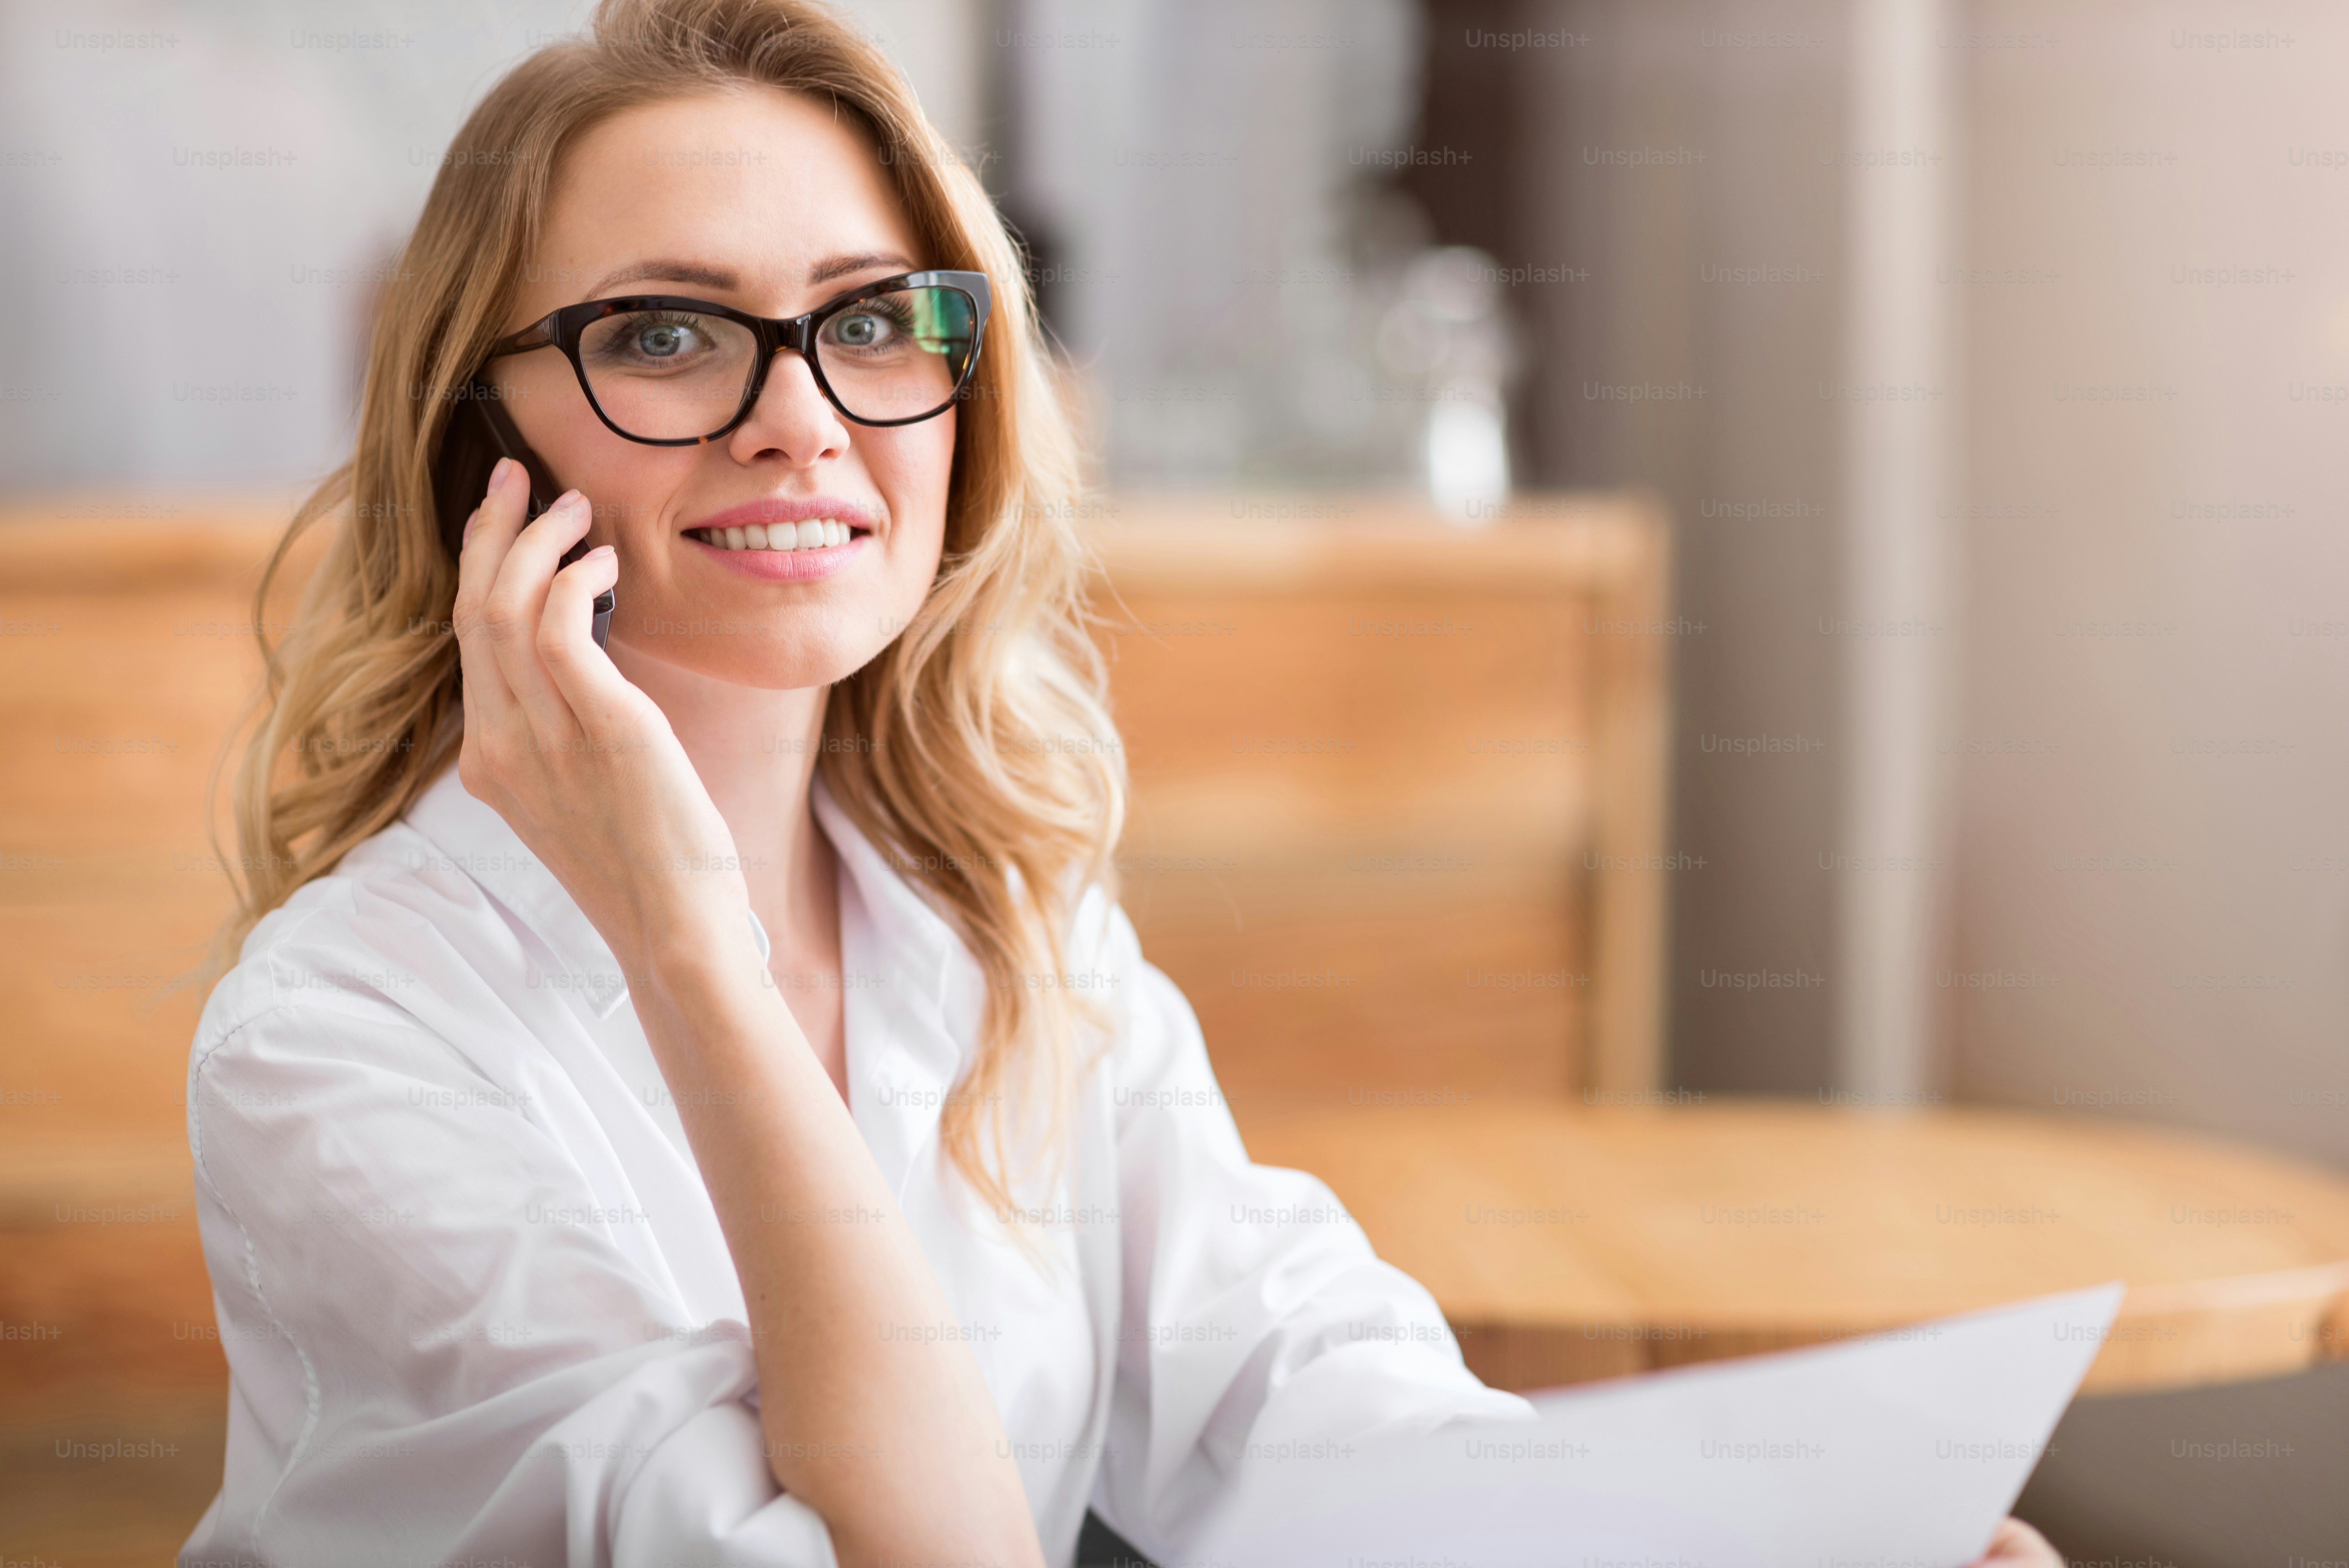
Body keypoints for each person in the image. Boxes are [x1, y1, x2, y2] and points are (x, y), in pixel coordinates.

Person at [178, 2, 2064, 1564]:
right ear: (478, 448)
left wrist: (1787, 1540)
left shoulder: (1000, 922)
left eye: (871, 318)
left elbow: (1290, 1393)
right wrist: (690, 948)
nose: (802, 416)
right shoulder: (335, 1042)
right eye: (663, 333)